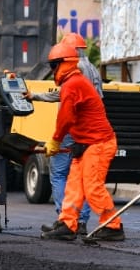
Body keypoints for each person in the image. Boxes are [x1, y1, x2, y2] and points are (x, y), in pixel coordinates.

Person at [40, 41, 124, 242]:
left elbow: (66, 118)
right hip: (85, 144)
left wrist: (55, 141)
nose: (52, 70)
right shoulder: (73, 83)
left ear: (63, 63)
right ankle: (68, 224)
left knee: (92, 186)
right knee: (74, 186)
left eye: (54, 65)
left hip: (98, 144)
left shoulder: (73, 84)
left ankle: (113, 226)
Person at [31, 32, 104, 234]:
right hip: (90, 130)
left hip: (74, 128)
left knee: (59, 172)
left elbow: (64, 99)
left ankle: (65, 220)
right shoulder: (94, 70)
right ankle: (80, 222)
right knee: (82, 176)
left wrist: (34, 97)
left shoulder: (75, 70)